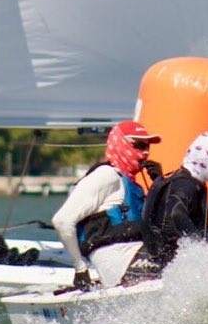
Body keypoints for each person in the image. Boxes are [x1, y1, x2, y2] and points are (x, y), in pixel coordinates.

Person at [52, 121, 161, 290]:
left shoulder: (131, 185)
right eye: (139, 145)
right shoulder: (106, 175)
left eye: (147, 146)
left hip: (136, 255)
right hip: (117, 262)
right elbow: (62, 221)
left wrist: (159, 183)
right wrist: (80, 269)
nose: (145, 152)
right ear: (120, 144)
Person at [140, 131, 208, 268]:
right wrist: (201, 248)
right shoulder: (186, 184)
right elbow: (176, 213)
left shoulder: (182, 179)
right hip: (171, 259)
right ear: (203, 159)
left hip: (171, 252)